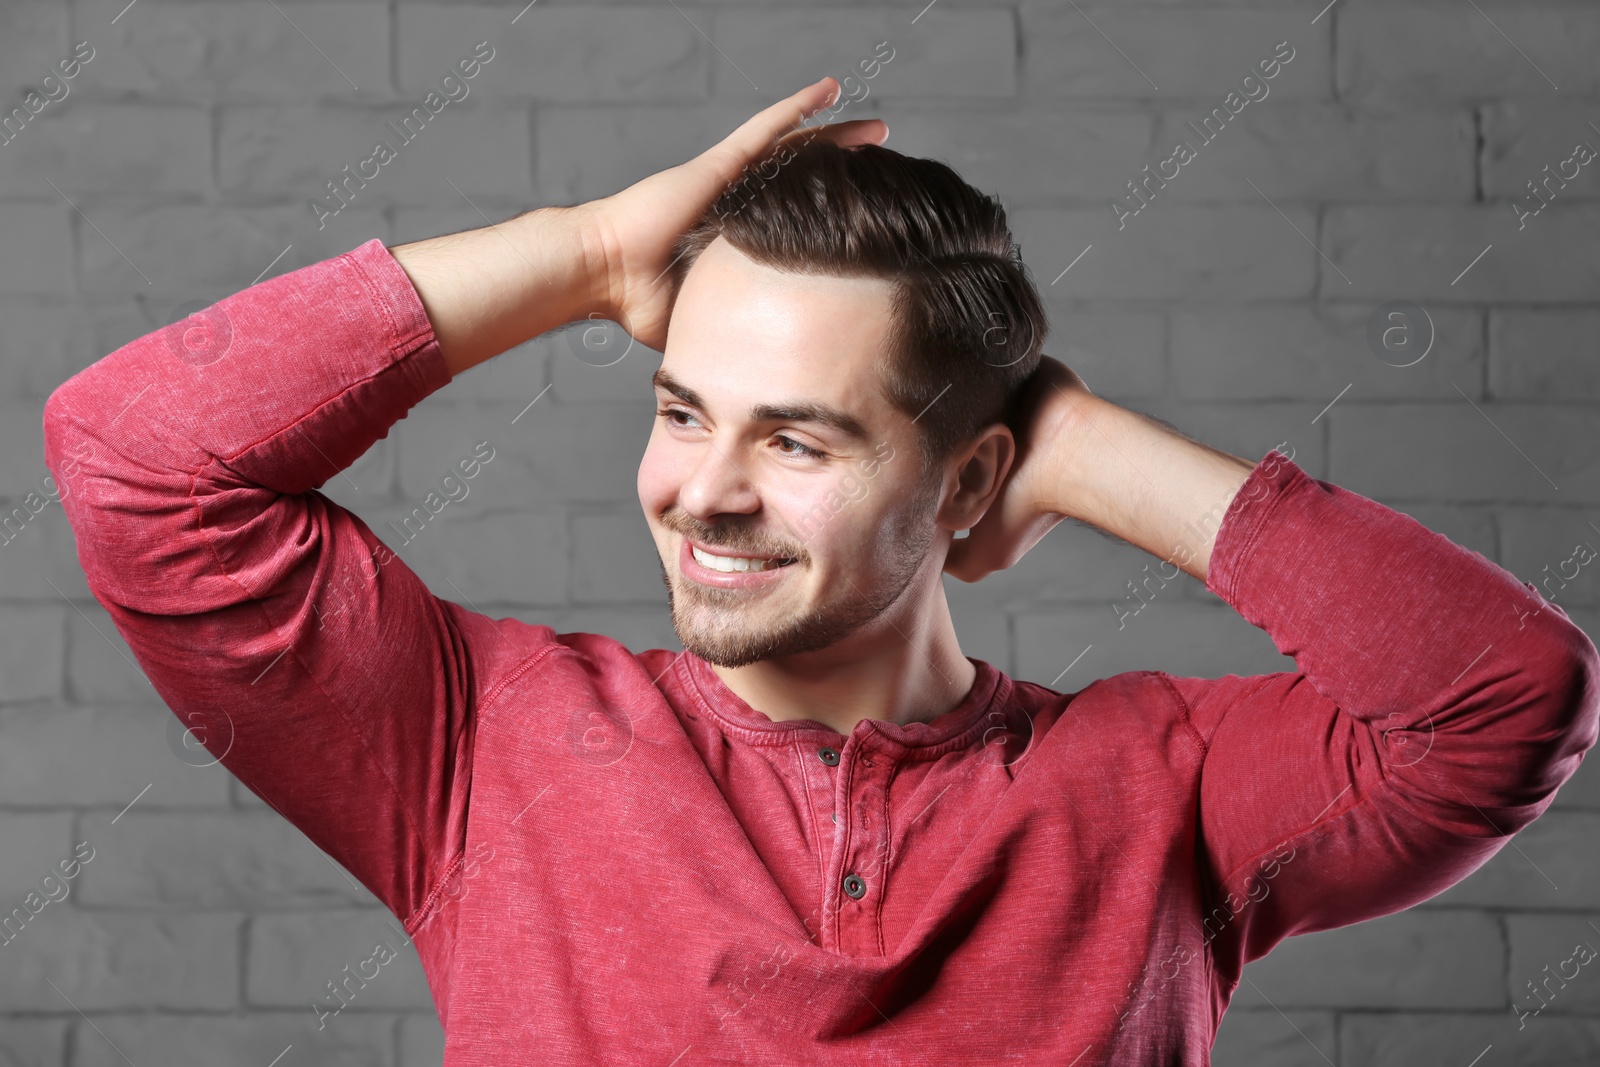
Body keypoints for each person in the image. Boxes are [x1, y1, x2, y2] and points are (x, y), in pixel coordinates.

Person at [42, 76, 1599, 1065]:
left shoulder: (1164, 788)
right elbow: (135, 456)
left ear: (972, 477)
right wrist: (589, 257)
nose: (701, 495)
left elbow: (1505, 700)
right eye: (678, 412)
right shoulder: (479, 745)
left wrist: (1086, 448)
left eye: (798, 442)